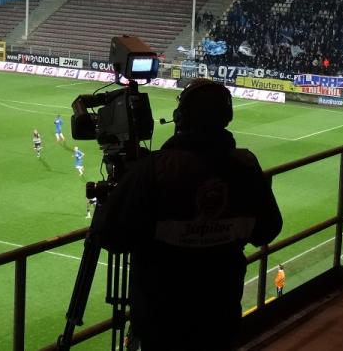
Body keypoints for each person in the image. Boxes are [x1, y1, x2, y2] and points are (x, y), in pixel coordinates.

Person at [91, 78, 283, 351]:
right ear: (225, 118)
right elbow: (269, 229)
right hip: (220, 313)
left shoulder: (155, 169)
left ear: (180, 118)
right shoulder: (246, 167)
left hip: (163, 319)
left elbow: (110, 236)